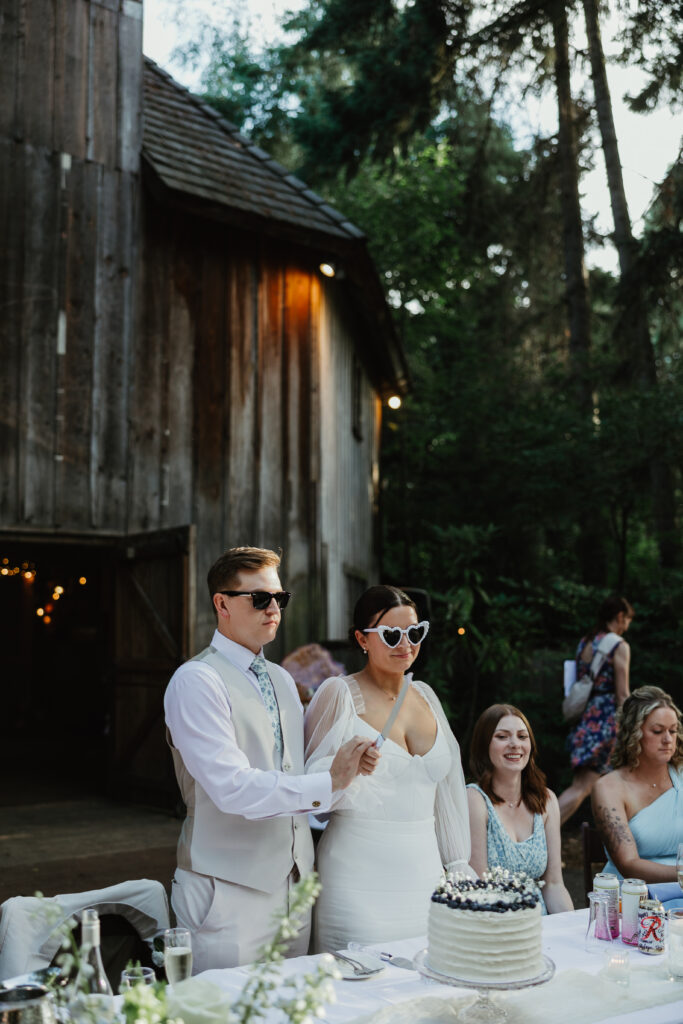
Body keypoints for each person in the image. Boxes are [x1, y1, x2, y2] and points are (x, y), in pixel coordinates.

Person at [164, 546, 378, 971]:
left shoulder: (282, 679)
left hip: (294, 887)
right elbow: (231, 788)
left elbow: (292, 775)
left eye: (279, 598)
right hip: (226, 892)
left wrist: (347, 773)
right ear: (221, 604)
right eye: (259, 598)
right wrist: (328, 782)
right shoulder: (196, 681)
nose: (273, 608)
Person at [304, 585, 472, 952]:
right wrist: (345, 770)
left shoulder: (427, 696)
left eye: (415, 633)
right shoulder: (337, 694)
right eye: (392, 635)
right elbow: (306, 794)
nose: (406, 644)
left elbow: (447, 790)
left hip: (426, 874)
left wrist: (457, 862)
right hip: (357, 877)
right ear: (362, 639)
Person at [467, 704, 574, 915]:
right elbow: (479, 888)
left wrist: (570, 929)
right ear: (484, 745)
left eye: (522, 736)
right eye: (502, 736)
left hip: (542, 926)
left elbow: (553, 885)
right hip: (495, 926)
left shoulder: (547, 800)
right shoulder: (474, 799)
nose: (515, 744)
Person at [592, 686, 683, 881]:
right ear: (633, 732)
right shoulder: (609, 788)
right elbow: (629, 865)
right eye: (658, 731)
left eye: (673, 731)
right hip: (634, 895)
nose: (668, 739)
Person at [558, 595, 634, 824]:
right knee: (582, 787)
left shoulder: (586, 642)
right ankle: (539, 835)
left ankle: (613, 846)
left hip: (585, 720)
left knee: (603, 786)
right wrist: (634, 724)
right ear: (620, 616)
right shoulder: (619, 646)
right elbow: (622, 694)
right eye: (628, 620)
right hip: (605, 725)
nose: (628, 626)